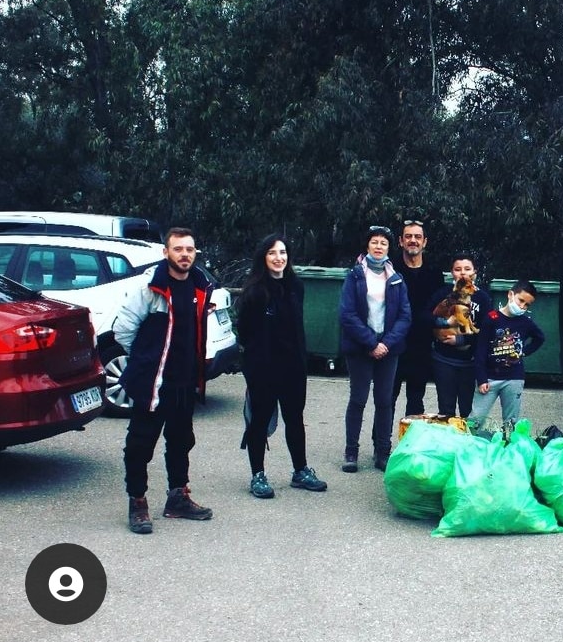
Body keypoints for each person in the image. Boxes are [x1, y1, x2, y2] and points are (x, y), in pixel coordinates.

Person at [116, 227, 214, 534]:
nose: (184, 254)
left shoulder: (200, 286)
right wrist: (145, 361)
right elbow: (123, 330)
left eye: (189, 249)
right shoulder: (151, 287)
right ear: (166, 252)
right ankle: (138, 502)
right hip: (153, 385)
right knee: (139, 445)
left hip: (185, 383)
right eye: (178, 249)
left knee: (181, 442)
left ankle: (177, 498)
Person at [236, 232, 326, 499]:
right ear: (264, 257)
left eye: (283, 253)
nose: (279, 258)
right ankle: (258, 475)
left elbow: (296, 328)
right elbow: (245, 332)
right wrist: (253, 368)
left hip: (293, 368)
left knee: (295, 420)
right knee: (259, 422)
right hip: (263, 370)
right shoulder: (254, 292)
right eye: (273, 253)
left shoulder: (296, 286)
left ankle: (300, 471)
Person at [338, 225, 411, 473]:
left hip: (388, 348)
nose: (379, 246)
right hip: (361, 348)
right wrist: (370, 342)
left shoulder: (396, 278)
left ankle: (383, 452)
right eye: (375, 242)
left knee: (384, 401)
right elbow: (347, 314)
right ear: (367, 246)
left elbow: (404, 316)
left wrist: (385, 344)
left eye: (383, 243)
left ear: (389, 248)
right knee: (358, 399)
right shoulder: (355, 275)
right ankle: (351, 452)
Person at [469, 279, 546, 432]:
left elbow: (540, 338)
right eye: (521, 301)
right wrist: (481, 378)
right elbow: (480, 350)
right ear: (511, 294)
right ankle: (470, 446)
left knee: (511, 422)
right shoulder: (491, 319)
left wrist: (524, 352)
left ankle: (509, 447)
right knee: (476, 419)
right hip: (489, 379)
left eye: (527, 305)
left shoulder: (525, 322)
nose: (522, 306)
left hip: (514, 378)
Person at [427, 252, 493, 419]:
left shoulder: (483, 298)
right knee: (446, 411)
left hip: (470, 362)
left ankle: (467, 444)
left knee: (467, 412)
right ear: (452, 273)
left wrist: (461, 339)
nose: (463, 273)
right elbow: (425, 317)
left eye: (467, 269)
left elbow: (487, 331)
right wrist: (442, 325)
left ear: (474, 273)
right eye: (458, 269)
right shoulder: (443, 294)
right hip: (443, 359)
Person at [391, 219, 443, 416]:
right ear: (401, 241)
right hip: (393, 343)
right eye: (408, 236)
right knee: (387, 398)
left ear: (425, 242)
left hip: (421, 345)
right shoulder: (390, 269)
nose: (413, 240)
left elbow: (438, 309)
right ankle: (381, 445)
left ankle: (410, 445)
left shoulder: (434, 273)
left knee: (415, 399)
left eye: (417, 237)